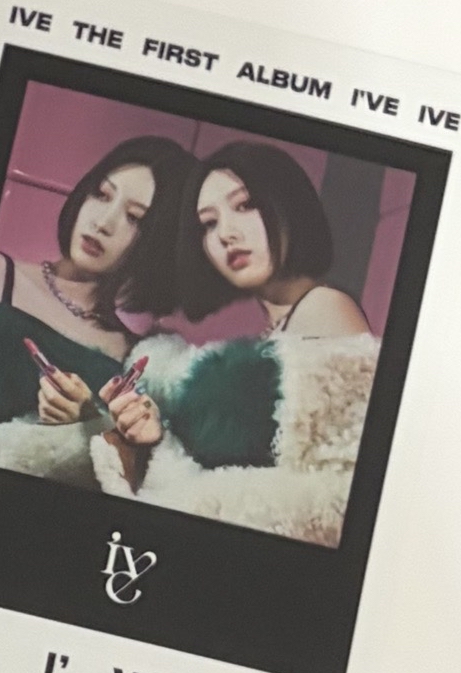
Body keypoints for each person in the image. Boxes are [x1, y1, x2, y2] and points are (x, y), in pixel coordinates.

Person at [86, 142, 382, 545]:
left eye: (244, 205)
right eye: (208, 224)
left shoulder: (324, 308)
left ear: (288, 205)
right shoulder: (281, 327)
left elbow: (336, 499)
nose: (226, 234)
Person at [0, 136, 192, 486]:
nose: (102, 222)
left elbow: (126, 479)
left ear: (159, 242)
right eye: (101, 195)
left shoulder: (137, 356)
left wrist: (85, 425)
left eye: (134, 218)